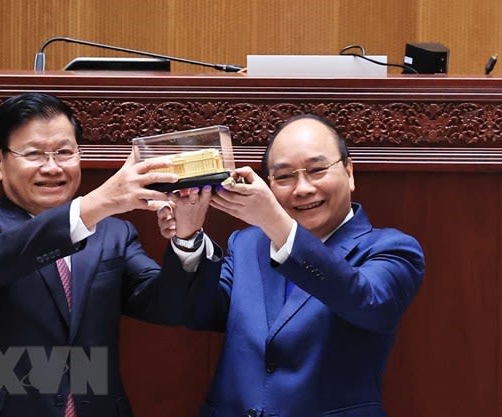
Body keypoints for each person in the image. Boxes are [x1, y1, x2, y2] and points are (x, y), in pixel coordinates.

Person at [0, 92, 187, 417]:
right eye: (34, 154)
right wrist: (97, 204)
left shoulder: (114, 233)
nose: (52, 168)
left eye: (65, 152)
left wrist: (187, 237)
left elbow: (169, 305)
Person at [157, 114, 425, 417]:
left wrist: (275, 222)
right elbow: (197, 311)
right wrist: (188, 234)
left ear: (349, 171)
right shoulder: (247, 244)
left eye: (317, 170)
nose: (302, 188)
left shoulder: (392, 248)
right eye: (284, 177)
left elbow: (367, 301)